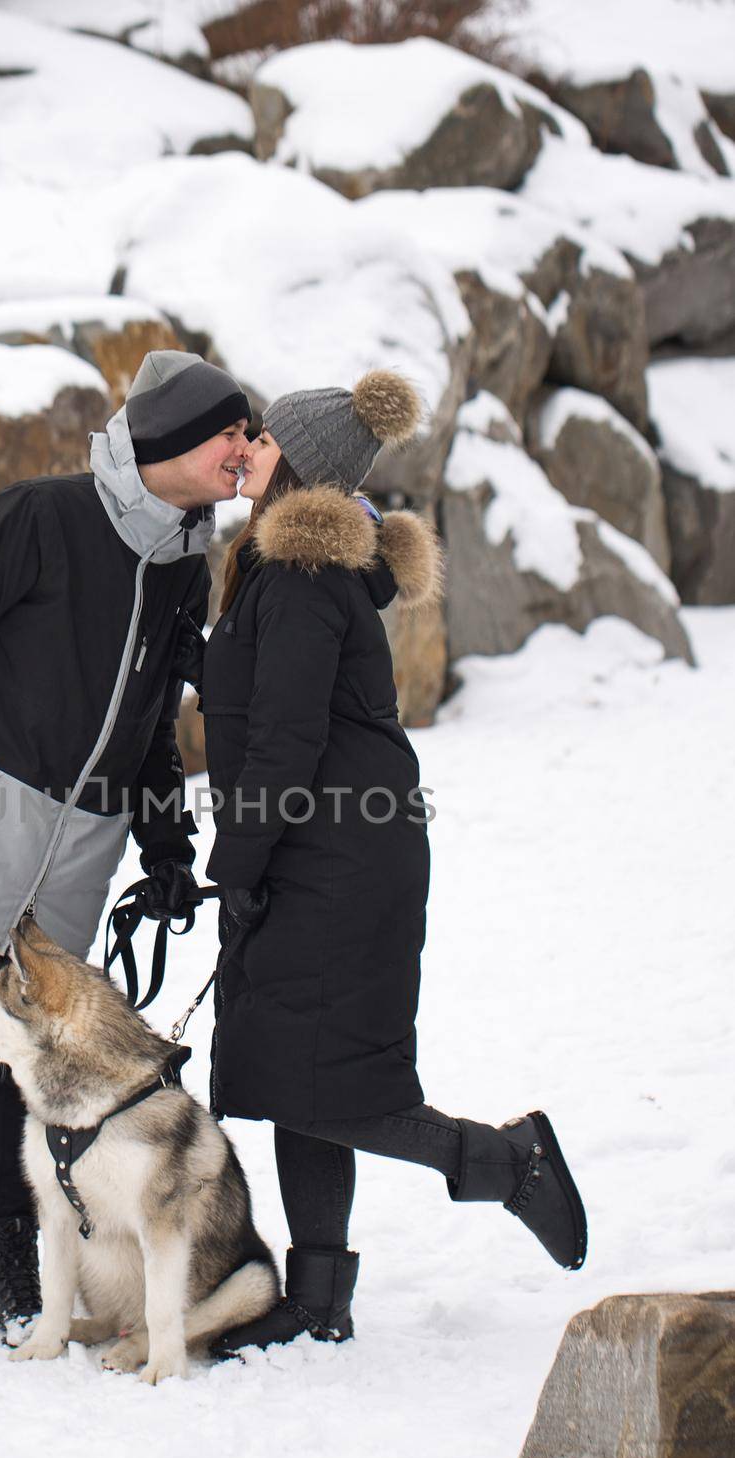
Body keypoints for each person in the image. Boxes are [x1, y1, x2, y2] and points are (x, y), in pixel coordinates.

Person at [0, 350, 252, 1357]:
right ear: (168, 444)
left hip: (75, 852)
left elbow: (153, 722)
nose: (245, 451)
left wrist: (161, 839)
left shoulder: (184, 569)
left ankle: (13, 1263)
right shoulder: (35, 518)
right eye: (229, 434)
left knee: (24, 1064)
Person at [196, 371, 587, 1356]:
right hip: (333, 850)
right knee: (298, 1073)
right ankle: (318, 1293)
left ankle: (506, 1161)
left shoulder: (296, 580)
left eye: (264, 442)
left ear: (303, 467)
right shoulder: (284, 570)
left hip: (331, 860)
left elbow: (280, 744)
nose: (246, 453)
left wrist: (237, 865)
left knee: (343, 1085)